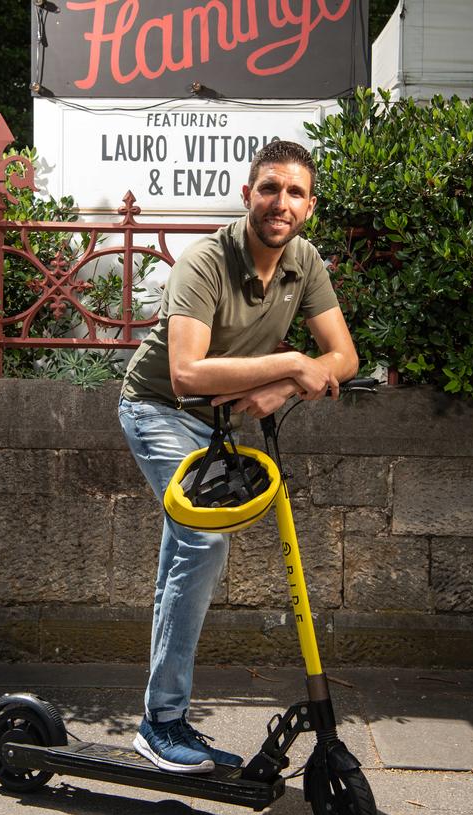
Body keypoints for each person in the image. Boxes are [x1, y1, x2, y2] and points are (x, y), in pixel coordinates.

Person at [118, 140, 358, 774]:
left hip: (222, 423)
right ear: (247, 193)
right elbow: (186, 372)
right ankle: (162, 723)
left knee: (185, 552)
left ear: (309, 206)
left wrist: (282, 386)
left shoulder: (303, 262)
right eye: (271, 189)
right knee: (201, 543)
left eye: (297, 193)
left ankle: (159, 716)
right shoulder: (203, 263)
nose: (283, 203)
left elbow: (345, 356)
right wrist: (290, 362)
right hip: (161, 410)